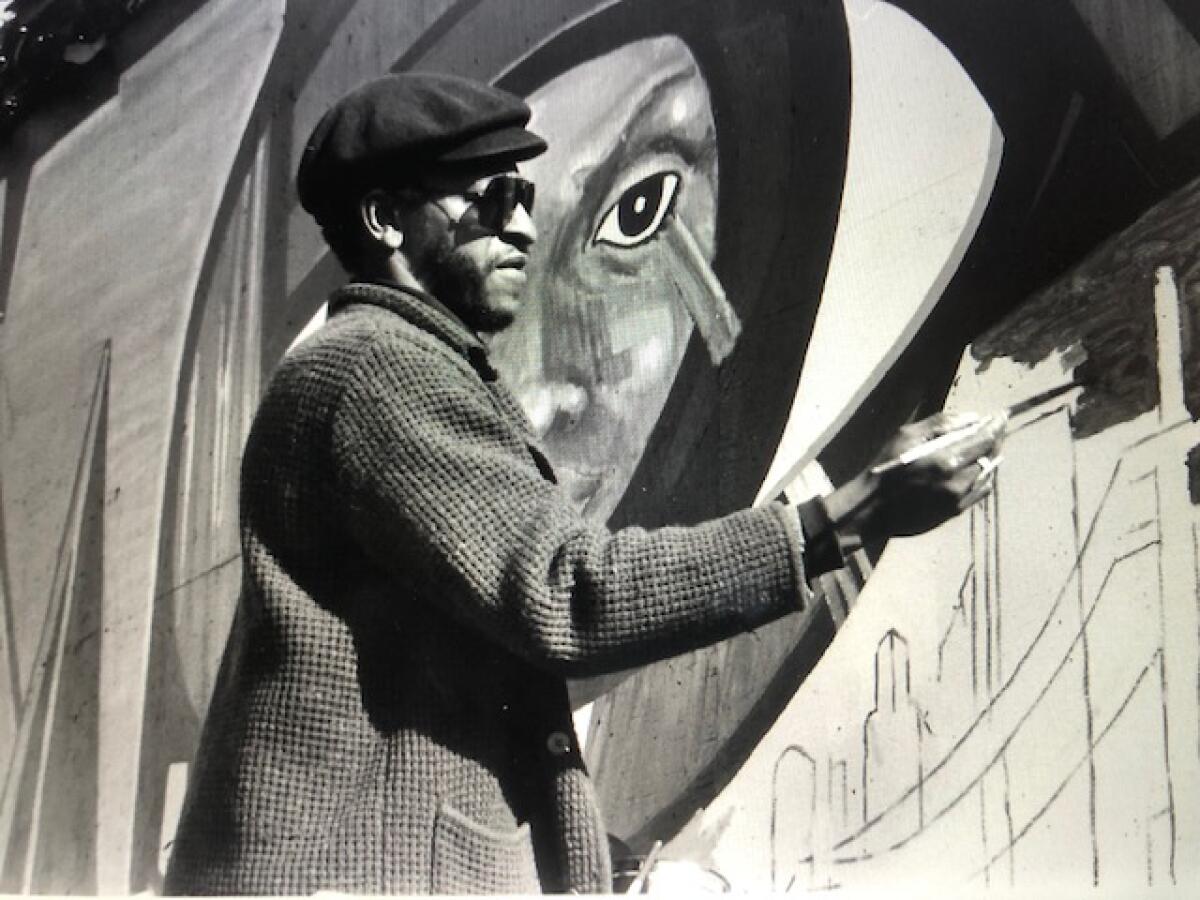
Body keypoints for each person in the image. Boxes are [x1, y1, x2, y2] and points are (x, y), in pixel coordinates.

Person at [163, 72, 1004, 895]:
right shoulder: (381, 371)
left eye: (526, 198)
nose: (523, 227)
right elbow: (569, 593)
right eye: (493, 200)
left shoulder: (380, 368)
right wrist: (842, 518)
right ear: (386, 220)